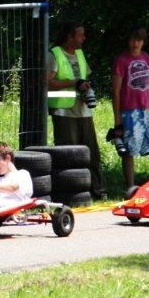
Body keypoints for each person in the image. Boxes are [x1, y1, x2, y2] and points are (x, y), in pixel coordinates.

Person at [47, 21, 105, 200]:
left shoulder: (80, 54)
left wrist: (84, 88)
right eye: (80, 35)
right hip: (64, 112)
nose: (83, 38)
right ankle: (69, 193)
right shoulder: (54, 54)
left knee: (91, 153)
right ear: (69, 36)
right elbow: (48, 82)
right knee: (68, 154)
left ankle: (97, 191)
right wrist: (74, 83)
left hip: (83, 111)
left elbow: (84, 77)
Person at [112, 26, 149, 189]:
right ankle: (130, 186)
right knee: (129, 150)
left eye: (139, 39)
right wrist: (117, 119)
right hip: (129, 111)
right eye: (133, 39)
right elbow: (115, 91)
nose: (135, 43)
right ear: (128, 41)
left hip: (147, 110)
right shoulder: (121, 60)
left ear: (143, 41)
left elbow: (147, 87)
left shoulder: (145, 57)